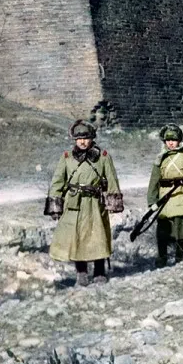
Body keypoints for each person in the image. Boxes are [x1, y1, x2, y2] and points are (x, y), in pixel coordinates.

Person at [44, 120, 123, 286]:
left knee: (98, 237)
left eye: (86, 138)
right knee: (76, 238)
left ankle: (100, 272)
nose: (82, 141)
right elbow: (58, 181)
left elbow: (111, 179)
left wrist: (113, 203)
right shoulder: (67, 157)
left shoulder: (103, 157)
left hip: (95, 204)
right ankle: (81, 274)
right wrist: (55, 206)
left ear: (92, 138)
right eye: (79, 138)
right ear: (74, 139)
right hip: (74, 205)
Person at [147, 124, 183, 267]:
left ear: (180, 140)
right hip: (165, 198)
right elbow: (154, 180)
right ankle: (162, 256)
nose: (171, 143)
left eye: (174, 139)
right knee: (163, 229)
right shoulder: (160, 158)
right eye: (168, 140)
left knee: (182, 228)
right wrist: (152, 200)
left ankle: (179, 255)